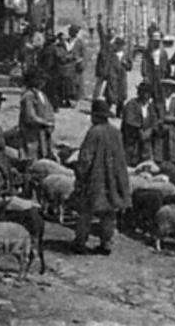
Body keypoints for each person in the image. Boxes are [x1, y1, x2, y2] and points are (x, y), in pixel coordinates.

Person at [72, 99, 131, 255]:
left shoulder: (94, 132)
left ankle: (80, 242)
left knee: (86, 211)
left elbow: (86, 157)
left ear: (95, 116)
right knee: (109, 213)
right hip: (112, 180)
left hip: (95, 179)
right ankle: (106, 244)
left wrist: (80, 175)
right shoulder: (115, 132)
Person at [19, 67, 55, 160]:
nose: (43, 82)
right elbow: (29, 116)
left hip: (43, 133)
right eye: (41, 79)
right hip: (32, 134)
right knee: (31, 158)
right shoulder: (28, 95)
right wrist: (44, 122)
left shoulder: (42, 94)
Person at [121, 83, 158, 166]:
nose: (146, 95)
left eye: (148, 93)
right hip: (132, 137)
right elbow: (129, 120)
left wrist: (151, 129)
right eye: (144, 92)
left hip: (146, 138)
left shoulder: (151, 107)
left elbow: (155, 120)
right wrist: (139, 130)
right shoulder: (132, 104)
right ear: (139, 92)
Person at [154, 78, 175, 168]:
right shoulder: (158, 100)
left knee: (174, 152)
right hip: (162, 129)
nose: (167, 90)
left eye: (169, 87)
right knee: (161, 152)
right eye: (165, 87)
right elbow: (154, 114)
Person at [66, 25, 87, 103]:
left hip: (76, 66)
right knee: (68, 82)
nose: (70, 33)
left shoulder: (80, 42)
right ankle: (67, 98)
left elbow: (84, 55)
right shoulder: (66, 40)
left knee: (76, 83)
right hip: (67, 65)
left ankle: (75, 99)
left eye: (72, 31)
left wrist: (80, 61)